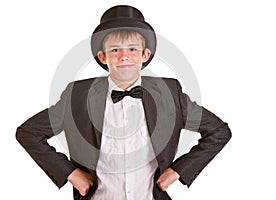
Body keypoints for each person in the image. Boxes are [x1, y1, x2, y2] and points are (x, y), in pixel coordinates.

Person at [16, 5, 231, 200]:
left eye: (132, 49)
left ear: (145, 55)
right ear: (103, 57)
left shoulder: (169, 94)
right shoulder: (77, 96)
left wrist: (178, 171)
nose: (124, 56)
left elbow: (218, 131)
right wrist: (71, 174)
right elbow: (29, 132)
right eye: (115, 50)